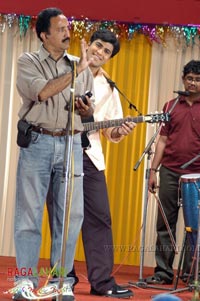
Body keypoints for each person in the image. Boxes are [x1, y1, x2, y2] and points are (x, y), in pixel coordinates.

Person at [13, 7, 95, 301]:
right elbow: (43, 92)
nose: (68, 33)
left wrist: (87, 110)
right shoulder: (28, 61)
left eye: (68, 27)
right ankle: (24, 283)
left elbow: (87, 107)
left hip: (71, 143)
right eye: (60, 29)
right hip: (38, 142)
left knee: (71, 217)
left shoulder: (77, 64)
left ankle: (60, 284)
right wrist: (78, 71)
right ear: (44, 35)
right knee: (29, 215)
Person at [55, 29, 136, 298]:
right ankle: (62, 277)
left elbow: (109, 131)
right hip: (58, 150)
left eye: (106, 52)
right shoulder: (65, 66)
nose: (99, 53)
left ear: (110, 57)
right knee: (63, 216)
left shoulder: (110, 87)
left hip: (90, 156)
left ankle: (102, 282)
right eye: (98, 46)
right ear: (87, 45)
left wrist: (119, 132)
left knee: (100, 217)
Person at [146, 60, 200, 285]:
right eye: (190, 79)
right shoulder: (171, 106)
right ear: (183, 79)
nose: (193, 83)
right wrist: (153, 171)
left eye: (198, 80)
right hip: (168, 171)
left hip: (196, 176)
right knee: (165, 223)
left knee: (193, 226)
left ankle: (190, 274)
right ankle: (164, 272)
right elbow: (162, 140)